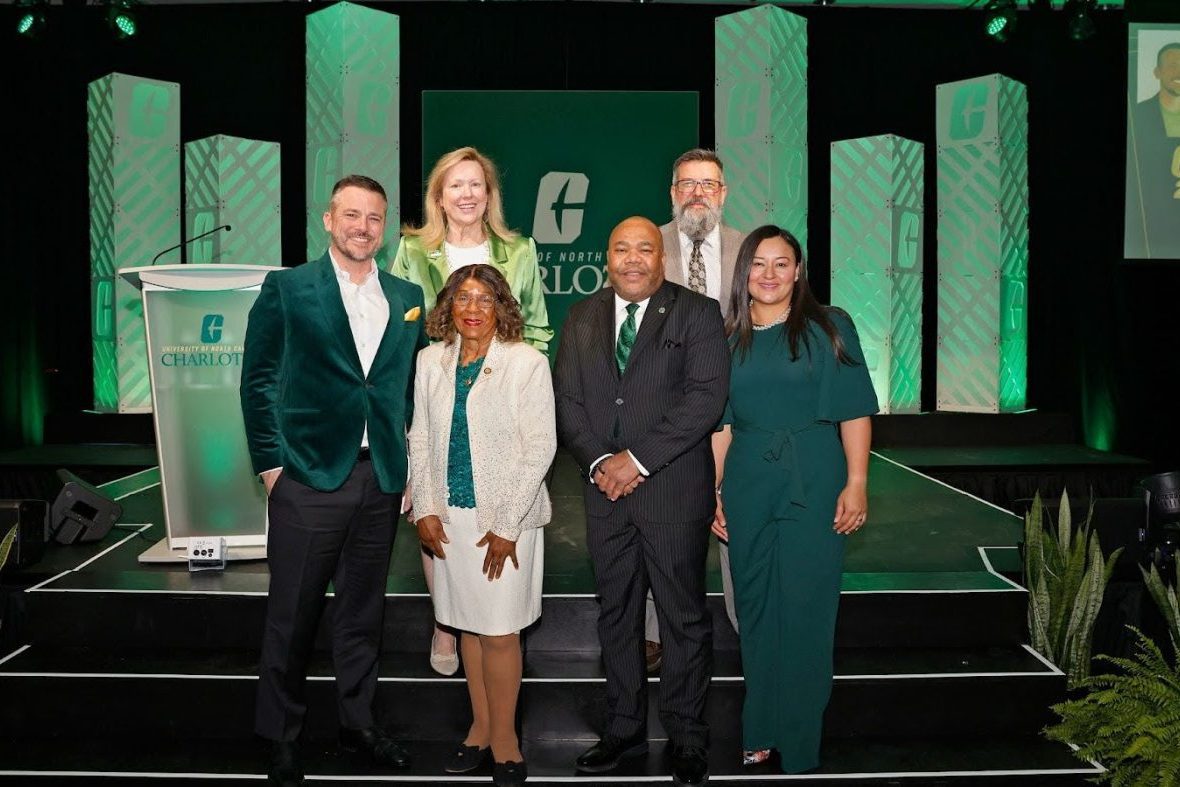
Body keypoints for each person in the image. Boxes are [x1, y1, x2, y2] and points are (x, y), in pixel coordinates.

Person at [241, 174, 426, 787]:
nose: (362, 227)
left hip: (379, 481)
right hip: (307, 478)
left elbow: (400, 390)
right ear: (328, 219)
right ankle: (282, 736)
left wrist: (402, 466)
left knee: (361, 614)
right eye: (351, 215)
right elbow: (260, 379)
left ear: (385, 226)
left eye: (374, 218)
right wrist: (271, 465)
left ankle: (358, 723)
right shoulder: (288, 288)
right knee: (291, 615)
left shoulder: (406, 294)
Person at [553, 216, 729, 787]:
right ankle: (624, 726)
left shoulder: (696, 313)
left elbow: (706, 398)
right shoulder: (581, 316)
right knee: (616, 614)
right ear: (607, 256)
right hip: (605, 493)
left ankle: (687, 736)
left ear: (662, 257)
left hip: (673, 491)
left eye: (644, 249)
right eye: (621, 248)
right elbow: (567, 400)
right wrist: (602, 462)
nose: (632, 259)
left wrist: (637, 459)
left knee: (681, 617)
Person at [711, 225, 877, 774]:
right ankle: (761, 726)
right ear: (744, 272)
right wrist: (713, 491)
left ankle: (801, 738)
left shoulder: (831, 327)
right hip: (748, 481)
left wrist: (856, 482)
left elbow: (853, 408)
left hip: (816, 474)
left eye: (782, 264)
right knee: (755, 610)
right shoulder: (727, 335)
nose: (769, 275)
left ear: (799, 270)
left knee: (806, 609)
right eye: (758, 264)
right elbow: (721, 426)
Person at [391, 146, 553, 676]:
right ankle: (445, 621)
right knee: (433, 507)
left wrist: (518, 382)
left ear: (489, 195)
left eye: (476, 185)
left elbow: (537, 327)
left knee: (487, 501)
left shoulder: (520, 249)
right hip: (433, 389)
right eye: (455, 185)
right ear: (439, 196)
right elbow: (398, 329)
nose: (466, 194)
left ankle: (475, 621)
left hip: (500, 394)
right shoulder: (413, 249)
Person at [408, 264, 554, 787]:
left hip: (504, 521)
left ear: (502, 308)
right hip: (449, 517)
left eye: (485, 299)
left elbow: (541, 447)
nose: (473, 308)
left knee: (499, 630)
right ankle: (479, 728)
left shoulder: (527, 363)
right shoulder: (430, 362)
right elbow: (420, 437)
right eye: (463, 298)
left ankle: (507, 741)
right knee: (466, 622)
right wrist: (423, 506)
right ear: (448, 307)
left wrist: (507, 525)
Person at [646, 148, 746, 672]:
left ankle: (746, 625)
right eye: (687, 184)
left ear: (723, 193)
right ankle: (652, 632)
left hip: (736, 405)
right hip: (661, 411)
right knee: (659, 520)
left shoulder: (750, 249)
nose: (697, 193)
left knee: (734, 515)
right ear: (672, 193)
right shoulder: (648, 245)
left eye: (708, 184)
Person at [1126, 41, 1180, 259]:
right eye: (1172, 64)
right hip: (1151, 226)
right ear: (1157, 72)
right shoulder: (1136, 117)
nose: (1178, 71)